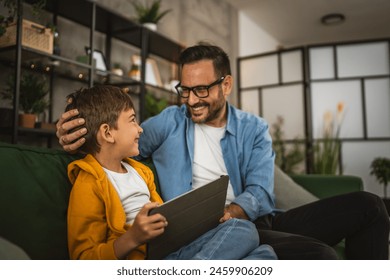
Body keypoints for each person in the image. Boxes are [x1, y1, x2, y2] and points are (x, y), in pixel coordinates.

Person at [57, 44, 390, 260]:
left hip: (251, 220)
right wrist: (73, 132)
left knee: (369, 206)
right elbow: (117, 143)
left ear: (225, 85)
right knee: (320, 257)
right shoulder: (169, 121)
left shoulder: (252, 128)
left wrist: (228, 212)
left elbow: (260, 191)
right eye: (184, 90)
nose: (191, 99)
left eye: (201, 89)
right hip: (194, 234)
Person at [64, 85, 277, 260]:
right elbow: (84, 259)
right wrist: (133, 238)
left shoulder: (140, 172)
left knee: (265, 254)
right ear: (107, 132)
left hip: (170, 249)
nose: (140, 129)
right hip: (145, 259)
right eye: (132, 120)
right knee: (243, 231)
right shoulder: (89, 182)